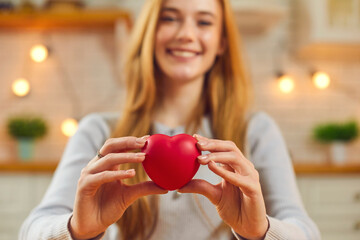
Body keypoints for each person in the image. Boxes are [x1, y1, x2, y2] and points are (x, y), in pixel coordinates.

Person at [19, 0, 321, 239]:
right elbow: (30, 230)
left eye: (204, 21)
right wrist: (77, 229)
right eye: (170, 17)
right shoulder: (98, 132)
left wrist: (261, 231)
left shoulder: (256, 131)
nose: (186, 34)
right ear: (149, 33)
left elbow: (307, 231)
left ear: (221, 42)